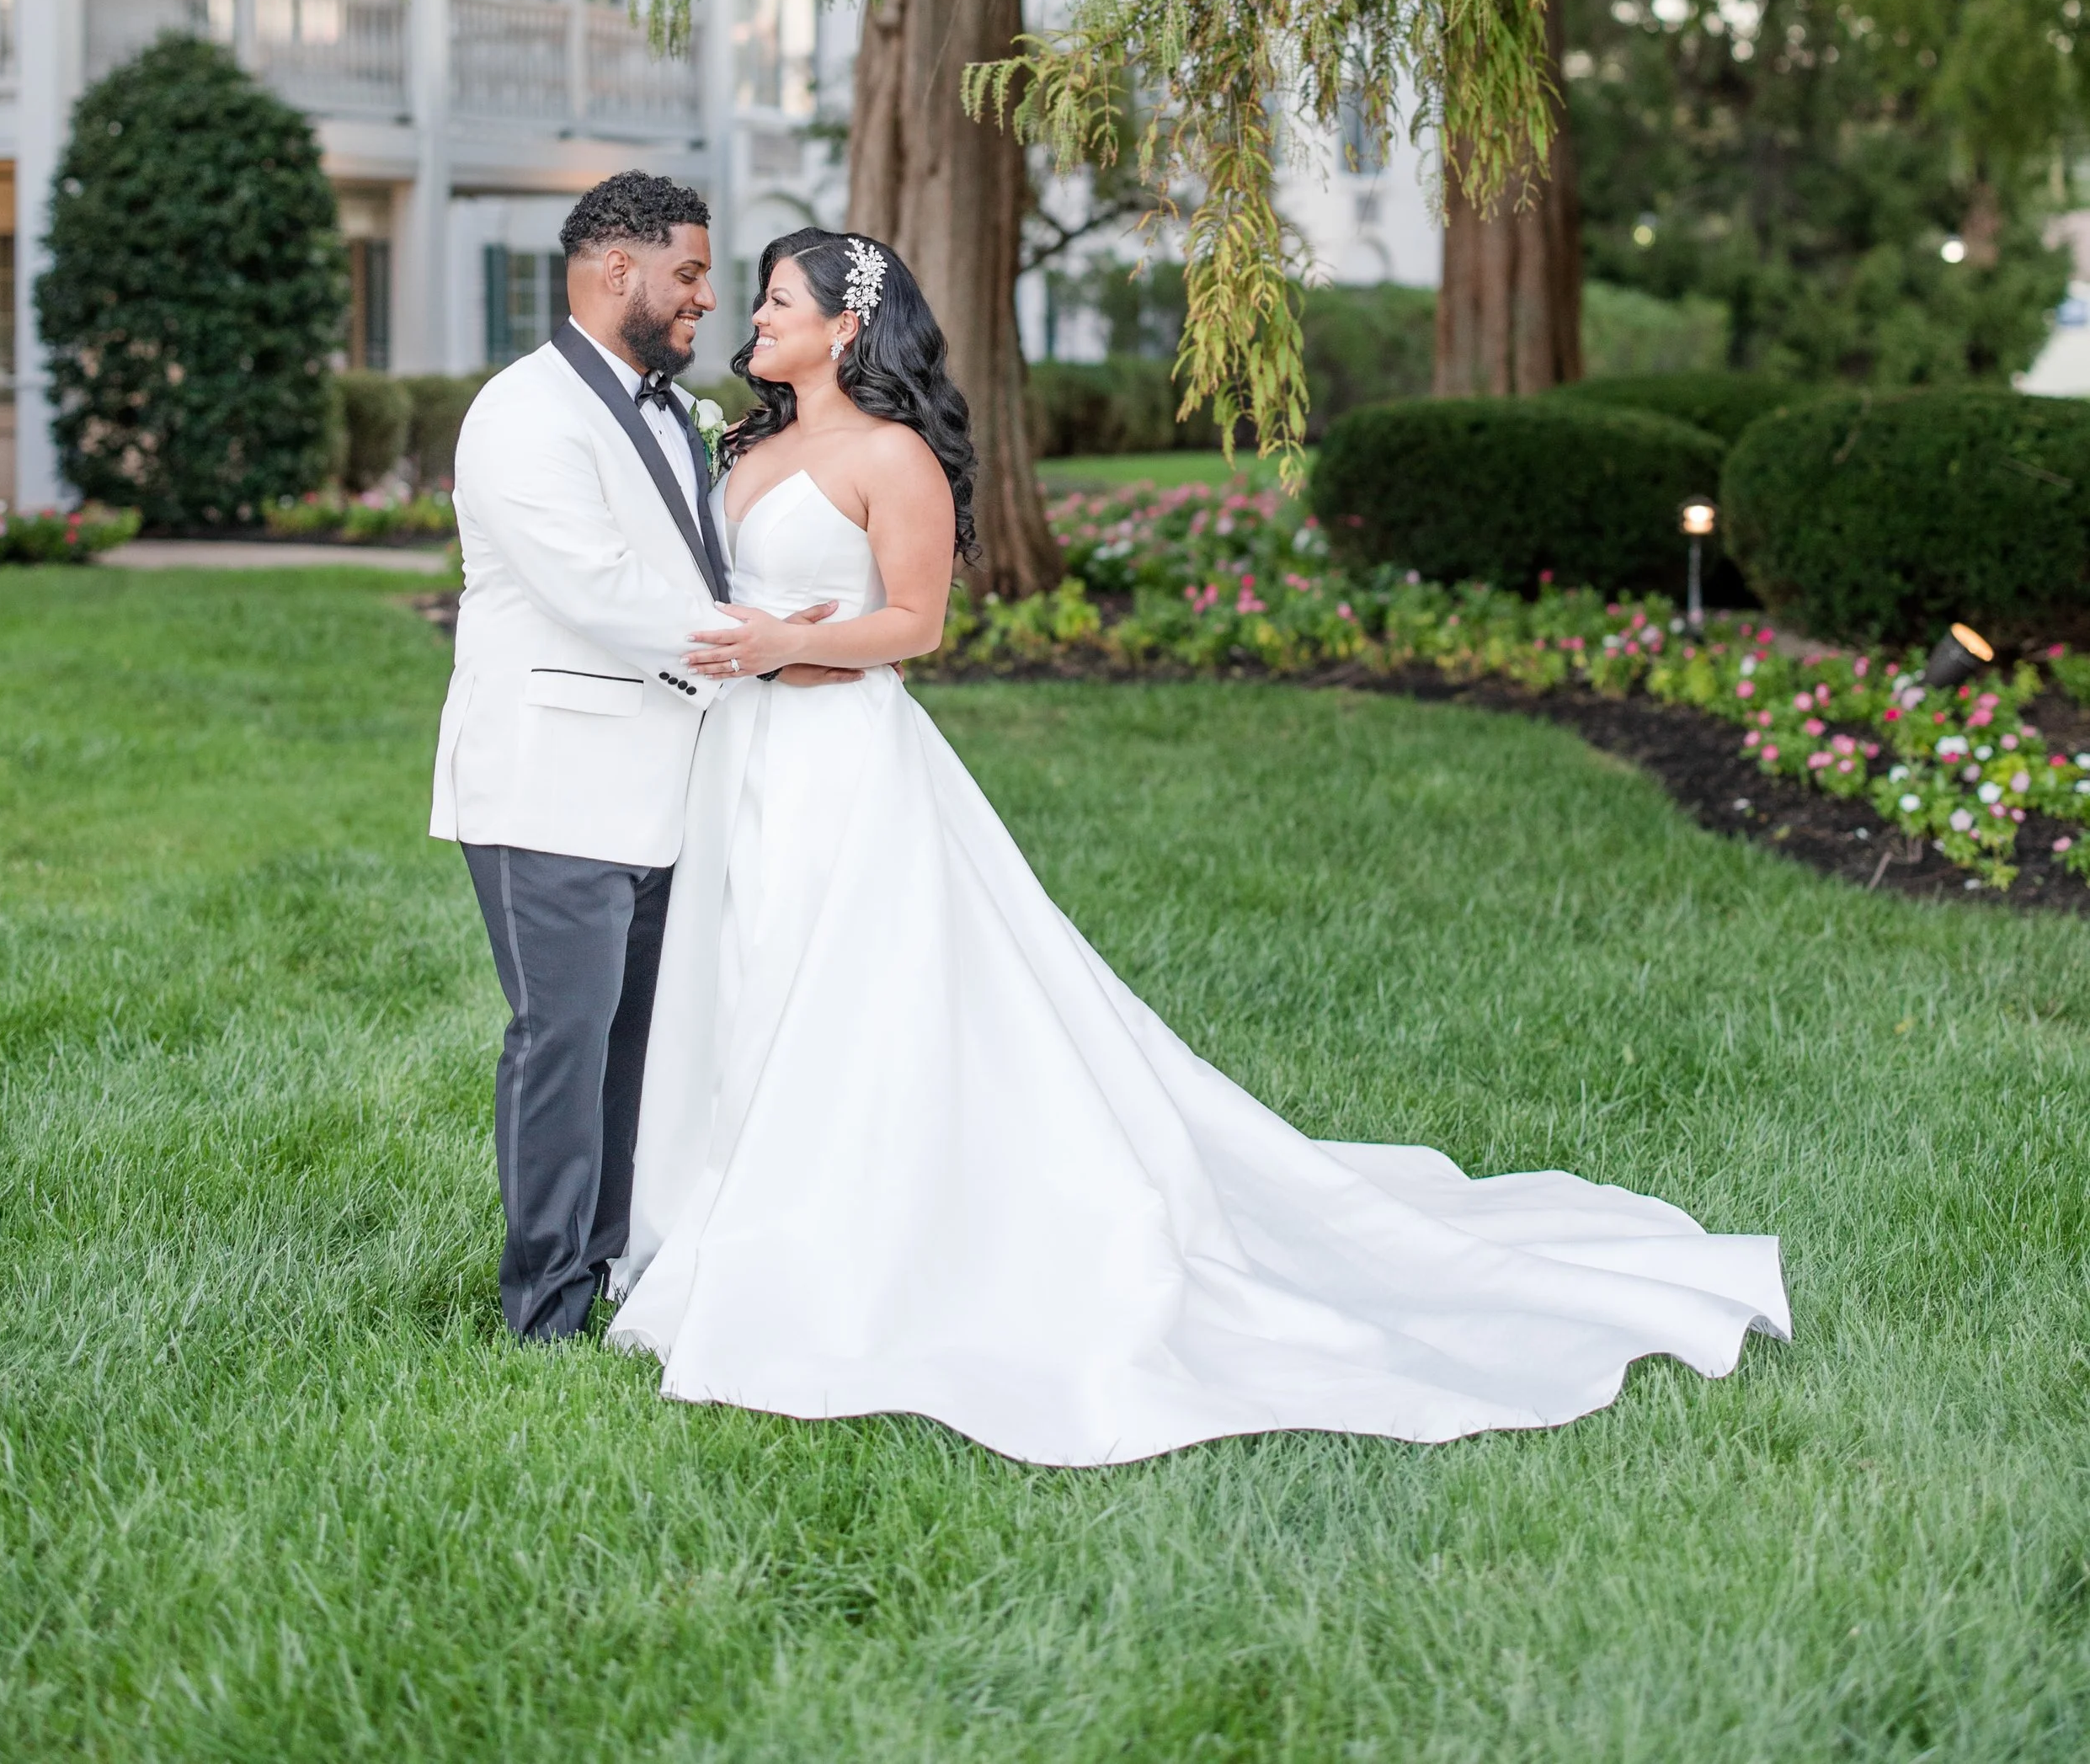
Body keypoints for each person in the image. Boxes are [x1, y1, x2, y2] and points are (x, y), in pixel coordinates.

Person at [606, 229, 1789, 1467]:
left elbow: (915, 624)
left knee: (838, 989)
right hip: (739, 755)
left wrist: (786, 648)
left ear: (846, 327)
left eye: (779, 298)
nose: (756, 314)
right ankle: (715, 1204)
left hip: (841, 761)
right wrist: (730, 643)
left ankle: (828, 1242)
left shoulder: (891, 454)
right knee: (735, 972)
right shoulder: (748, 444)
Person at [429, 172, 846, 1342]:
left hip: (674, 783)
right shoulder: (522, 412)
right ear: (618, 270)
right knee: (562, 1039)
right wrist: (761, 647)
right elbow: (595, 589)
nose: (708, 300)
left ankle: (614, 1261)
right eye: (691, 275)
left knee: (639, 1042)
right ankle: (545, 1302)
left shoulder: (683, 413)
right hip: (550, 780)